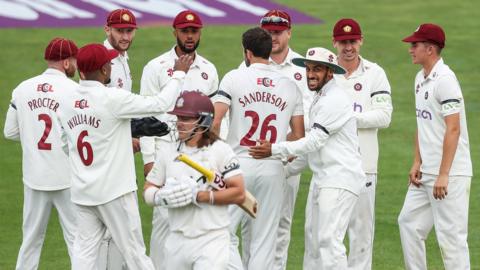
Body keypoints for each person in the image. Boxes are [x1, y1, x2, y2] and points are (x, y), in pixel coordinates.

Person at [55, 43, 193, 270]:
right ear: (104, 70)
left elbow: (64, 144)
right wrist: (179, 73)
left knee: (83, 256)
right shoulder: (112, 98)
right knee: (136, 255)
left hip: (82, 192)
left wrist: (112, 143)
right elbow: (161, 104)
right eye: (108, 63)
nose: (111, 65)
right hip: (115, 192)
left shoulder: (66, 100)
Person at [249, 47, 366, 269]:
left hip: (340, 179)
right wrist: (281, 171)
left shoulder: (335, 99)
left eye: (318, 69)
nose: (311, 74)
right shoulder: (319, 98)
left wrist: (273, 150)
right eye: (309, 69)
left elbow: (314, 142)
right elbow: (310, 152)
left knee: (328, 240)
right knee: (313, 240)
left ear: (330, 72)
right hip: (323, 179)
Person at [212, 27, 305, 270]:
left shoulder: (234, 77)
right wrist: (276, 152)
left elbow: (215, 121)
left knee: (223, 233)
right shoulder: (290, 85)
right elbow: (298, 136)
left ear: (248, 52)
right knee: (265, 240)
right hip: (273, 169)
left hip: (238, 167)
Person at [138, 10, 219, 269]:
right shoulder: (156, 67)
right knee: (164, 225)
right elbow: (146, 116)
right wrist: (149, 161)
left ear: (200, 33)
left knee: (198, 223)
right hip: (166, 153)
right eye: (185, 31)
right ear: (174, 32)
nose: (190, 36)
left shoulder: (208, 69)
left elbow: (216, 117)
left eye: (194, 31)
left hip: (199, 157)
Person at [143, 91, 245, 270]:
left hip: (211, 240)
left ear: (204, 121)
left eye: (187, 119)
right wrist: (160, 197)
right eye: (179, 117)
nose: (180, 123)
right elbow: (149, 188)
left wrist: (200, 196)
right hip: (176, 239)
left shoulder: (221, 150)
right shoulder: (168, 151)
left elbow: (239, 192)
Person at [398, 23, 472, 270]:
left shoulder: (446, 80)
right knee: (408, 223)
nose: (410, 49)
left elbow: (454, 128)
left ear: (430, 49)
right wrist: (417, 161)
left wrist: (443, 174)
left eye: (415, 45)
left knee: (451, 241)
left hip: (449, 174)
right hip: (425, 172)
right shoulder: (420, 78)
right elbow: (422, 122)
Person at [3, 37, 78, 270]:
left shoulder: (22, 88)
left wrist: (30, 140)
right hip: (68, 178)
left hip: (34, 178)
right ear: (66, 63)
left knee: (30, 242)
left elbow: (9, 132)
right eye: (74, 60)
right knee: (77, 242)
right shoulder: (75, 91)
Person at [251, 10, 314, 269]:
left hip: (288, 157)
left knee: (281, 223)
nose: (273, 37)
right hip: (252, 157)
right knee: (249, 222)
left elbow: (309, 116)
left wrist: (282, 147)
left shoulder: (302, 67)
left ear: (289, 32)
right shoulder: (248, 64)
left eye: (277, 32)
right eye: (268, 32)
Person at [331, 18, 393, 270]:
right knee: (327, 236)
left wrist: (346, 120)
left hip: (364, 166)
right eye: (343, 42)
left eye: (353, 41)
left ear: (361, 41)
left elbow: (384, 116)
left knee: (362, 237)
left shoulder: (375, 73)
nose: (349, 47)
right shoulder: (325, 72)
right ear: (334, 42)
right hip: (331, 166)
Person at [99, 8, 140, 269]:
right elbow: (101, 112)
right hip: (109, 156)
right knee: (119, 228)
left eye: (129, 31)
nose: (125, 36)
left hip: (120, 153)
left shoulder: (121, 57)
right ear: (107, 30)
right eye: (119, 31)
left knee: (118, 230)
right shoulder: (104, 61)